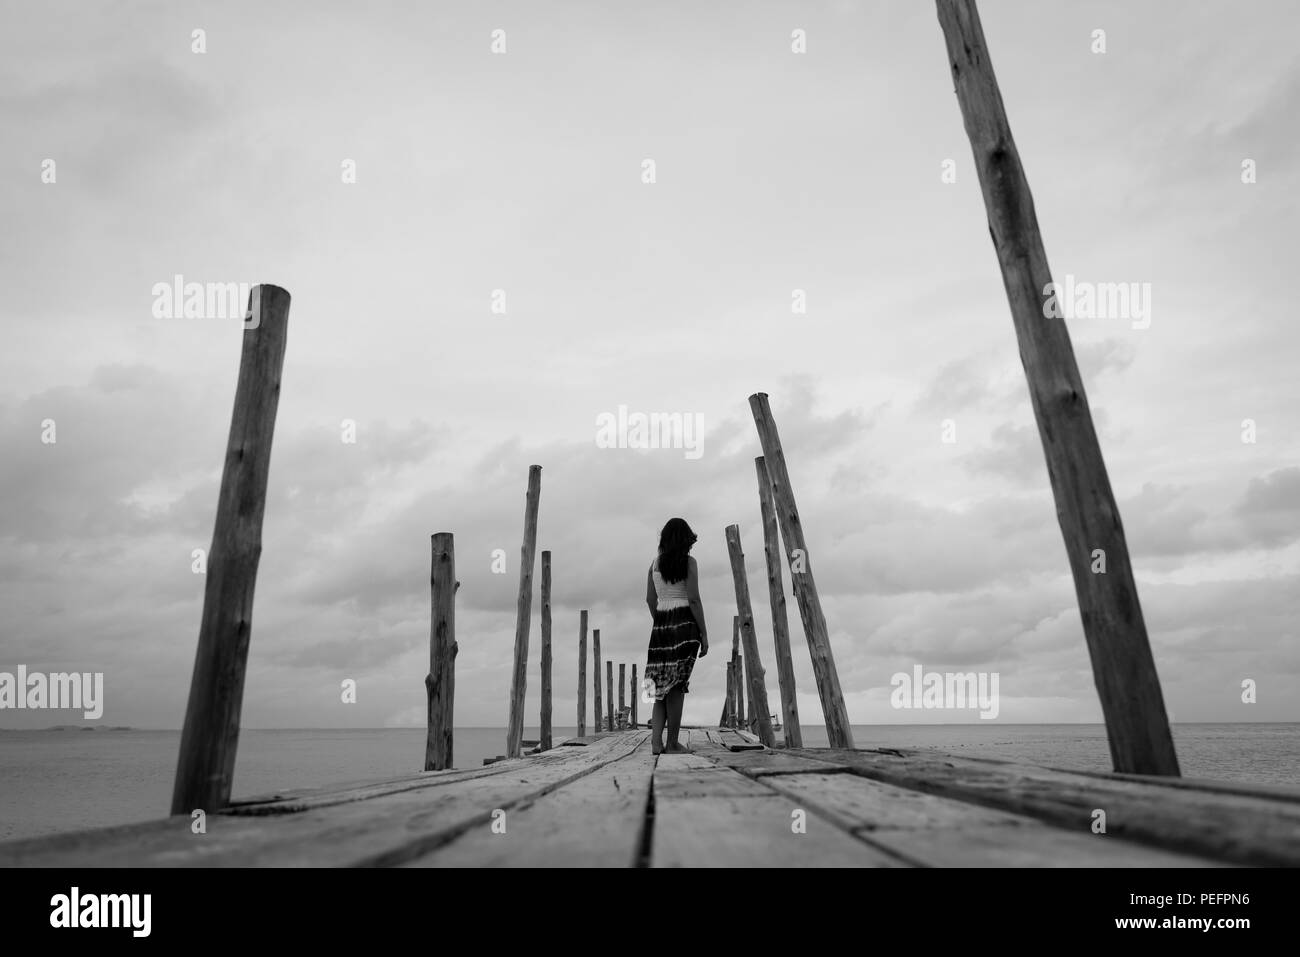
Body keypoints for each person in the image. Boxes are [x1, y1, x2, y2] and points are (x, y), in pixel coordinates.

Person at [644, 517, 708, 755]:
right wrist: (703, 632)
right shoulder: (689, 563)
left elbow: (650, 599)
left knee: (657, 685)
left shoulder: (653, 564)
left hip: (661, 626)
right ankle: (672, 743)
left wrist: (661, 622)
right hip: (684, 625)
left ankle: (655, 743)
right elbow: (693, 599)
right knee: (677, 686)